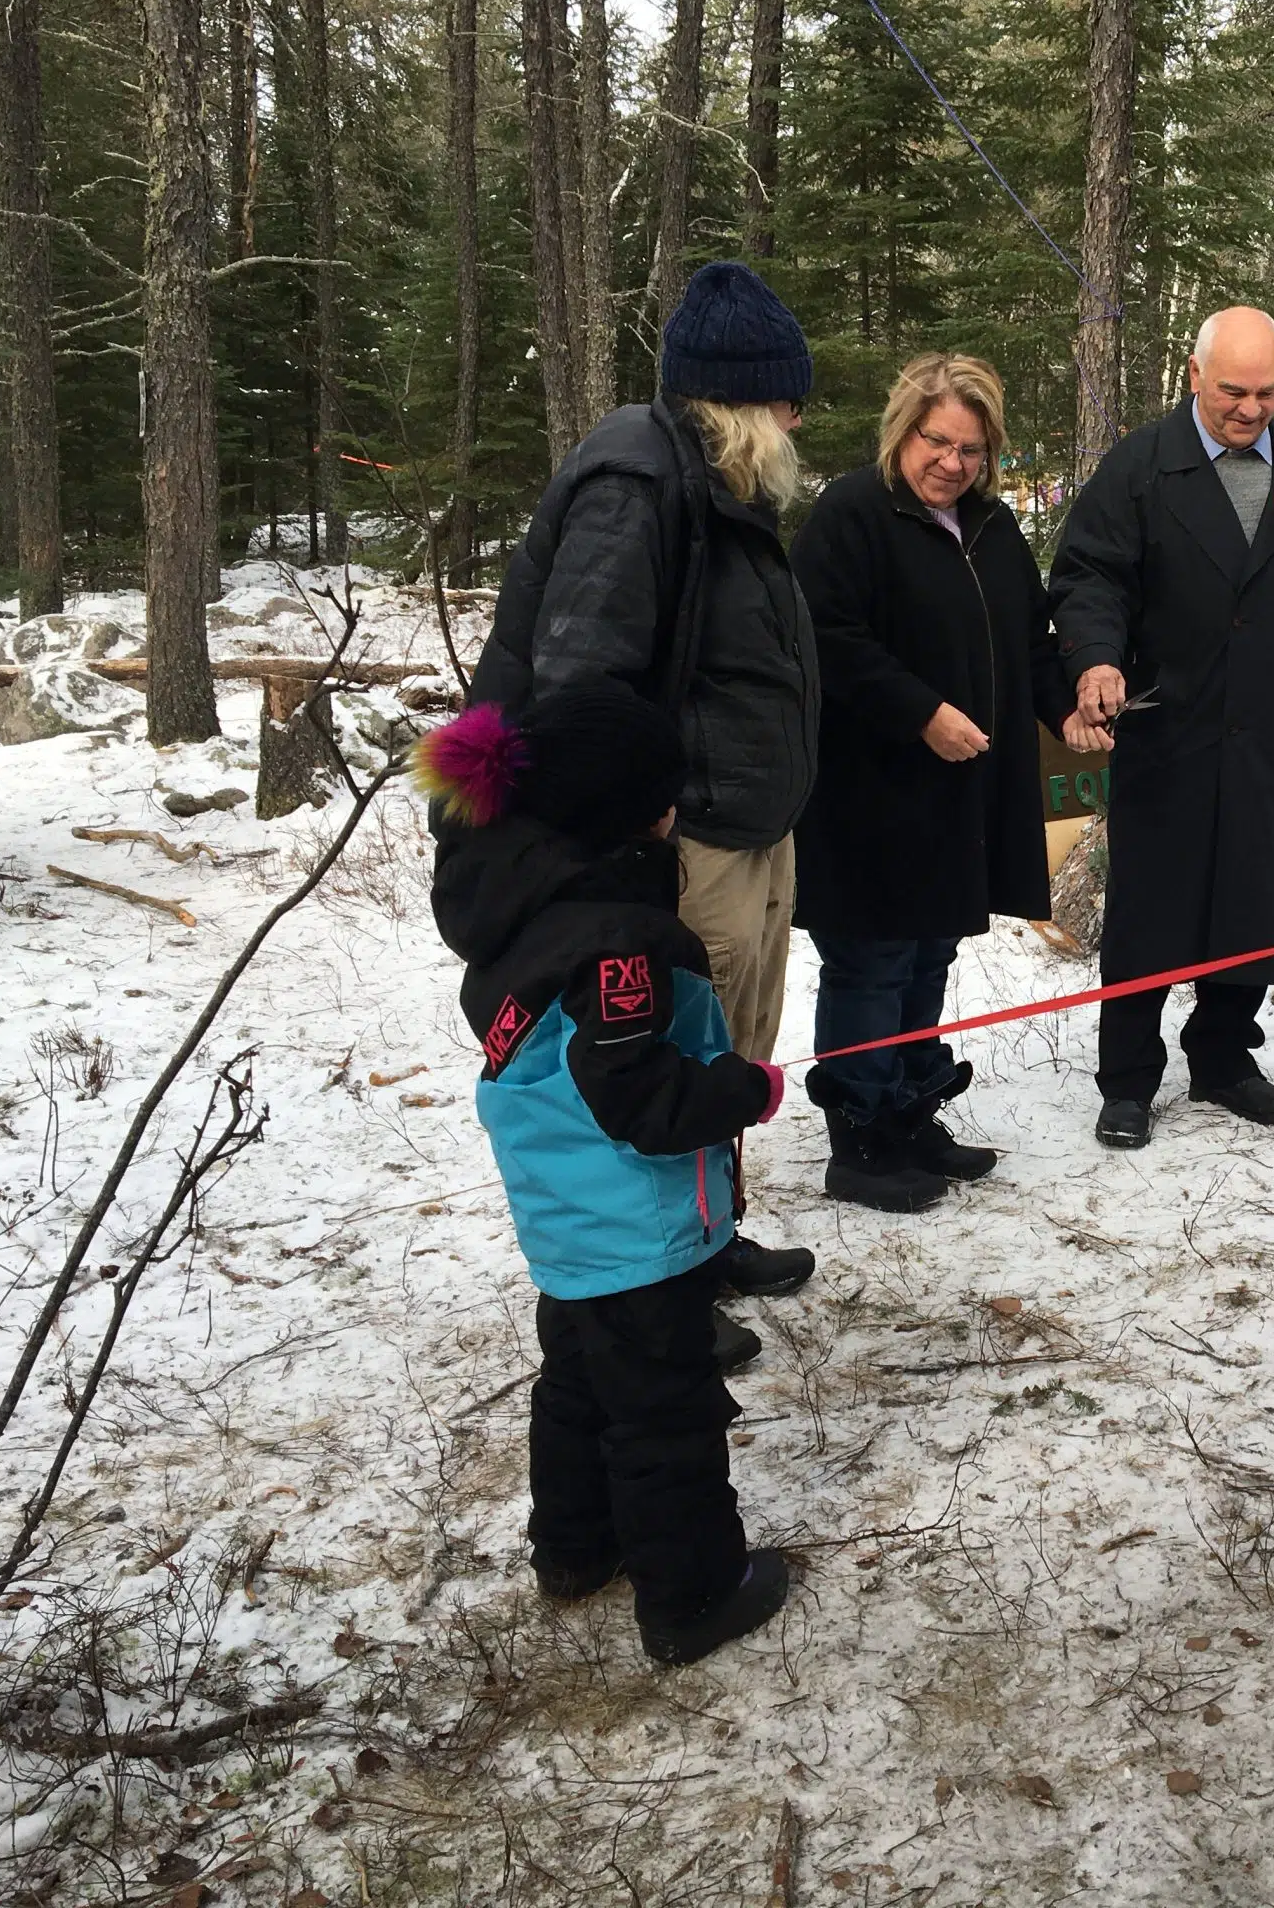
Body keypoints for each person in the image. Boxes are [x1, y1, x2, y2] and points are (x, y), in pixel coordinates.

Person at [419, 685, 792, 1668]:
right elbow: (637, 1100)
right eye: (664, 794)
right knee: (665, 1411)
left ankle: (576, 1549)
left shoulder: (523, 905)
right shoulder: (616, 938)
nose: (678, 808)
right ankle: (694, 1595)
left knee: (579, 1385)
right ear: (630, 810)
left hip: (569, 1223)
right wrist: (740, 1092)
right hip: (634, 1229)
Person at [466, 260, 821, 1294]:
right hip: (682, 839)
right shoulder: (636, 482)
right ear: (746, 397)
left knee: (726, 1057)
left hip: (742, 825)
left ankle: (706, 1240)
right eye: (787, 399)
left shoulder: (711, 485)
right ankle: (658, 1280)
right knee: (661, 1062)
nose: (797, 421)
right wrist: (638, 826)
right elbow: (584, 681)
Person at [1048, 306, 1274, 1149]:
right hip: (1172, 731)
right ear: (1194, 376)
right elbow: (1089, 576)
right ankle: (1126, 1080)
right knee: (1152, 913)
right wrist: (1095, 658)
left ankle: (1224, 1059)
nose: (1249, 408)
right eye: (1233, 390)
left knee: (1256, 903)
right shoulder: (1141, 468)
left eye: (1266, 392)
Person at [790, 354, 1094, 1210]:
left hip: (957, 798)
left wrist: (1063, 709)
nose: (951, 463)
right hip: (870, 794)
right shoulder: (851, 513)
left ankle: (908, 1114)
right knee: (871, 962)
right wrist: (920, 710)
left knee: (928, 954)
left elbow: (1029, 643)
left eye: (971, 448)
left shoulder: (992, 529)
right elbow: (826, 635)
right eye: (937, 441)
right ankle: (857, 1141)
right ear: (903, 430)